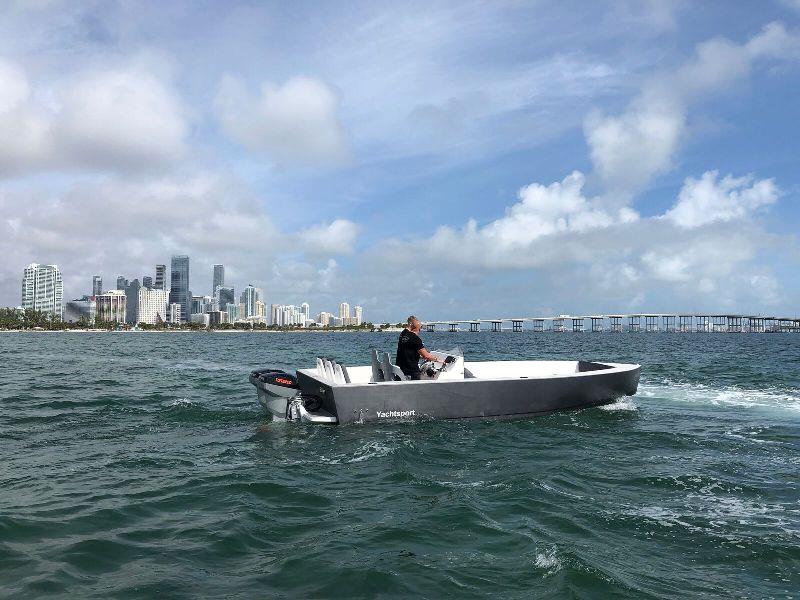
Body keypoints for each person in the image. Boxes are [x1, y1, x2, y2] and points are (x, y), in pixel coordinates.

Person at [396, 316, 444, 380]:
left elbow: (407, 351)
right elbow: (426, 356)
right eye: (419, 329)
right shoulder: (415, 338)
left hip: (400, 371)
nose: (419, 331)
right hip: (411, 373)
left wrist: (420, 356)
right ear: (417, 329)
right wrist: (438, 359)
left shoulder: (403, 334)